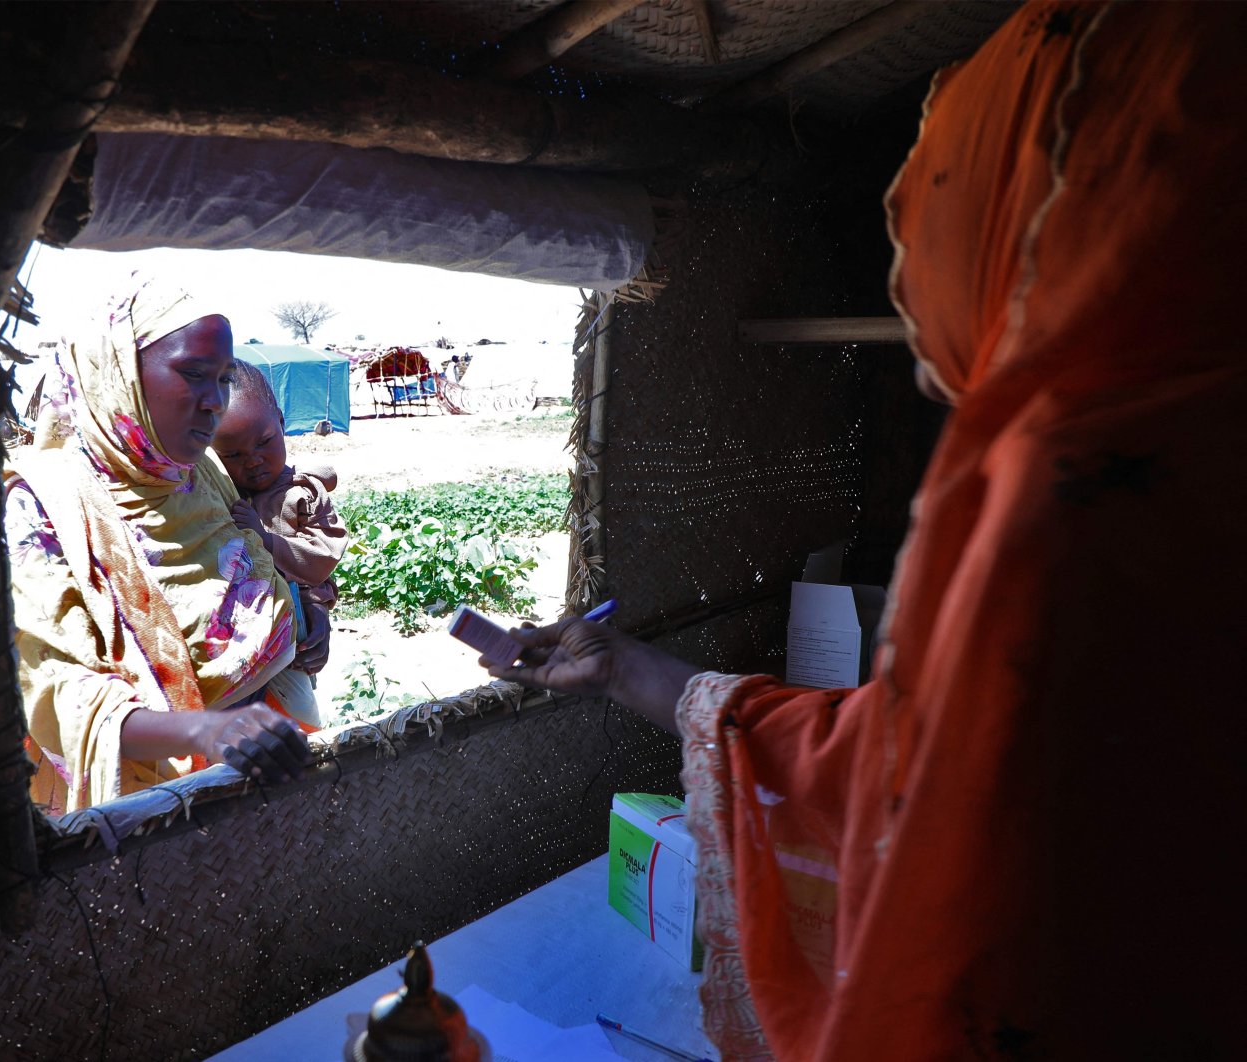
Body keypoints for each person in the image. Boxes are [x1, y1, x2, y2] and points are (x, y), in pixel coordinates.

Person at [486, 2, 1247, 1058]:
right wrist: (623, 668)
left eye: (949, 200)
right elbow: (917, 757)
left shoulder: (1071, 481)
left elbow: (936, 820)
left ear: (1029, 212)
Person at [5, 281, 325, 814]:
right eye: (193, 374)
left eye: (223, 379)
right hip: (160, 810)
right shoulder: (43, 504)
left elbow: (256, 560)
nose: (214, 402)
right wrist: (207, 731)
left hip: (278, 756)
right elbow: (60, 695)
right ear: (121, 373)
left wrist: (308, 618)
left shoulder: (198, 472)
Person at [212, 361, 349, 662]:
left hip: (295, 634)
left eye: (264, 443)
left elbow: (322, 558)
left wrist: (265, 539)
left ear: (282, 423)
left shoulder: (304, 494)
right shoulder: (219, 495)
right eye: (233, 455)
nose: (253, 461)